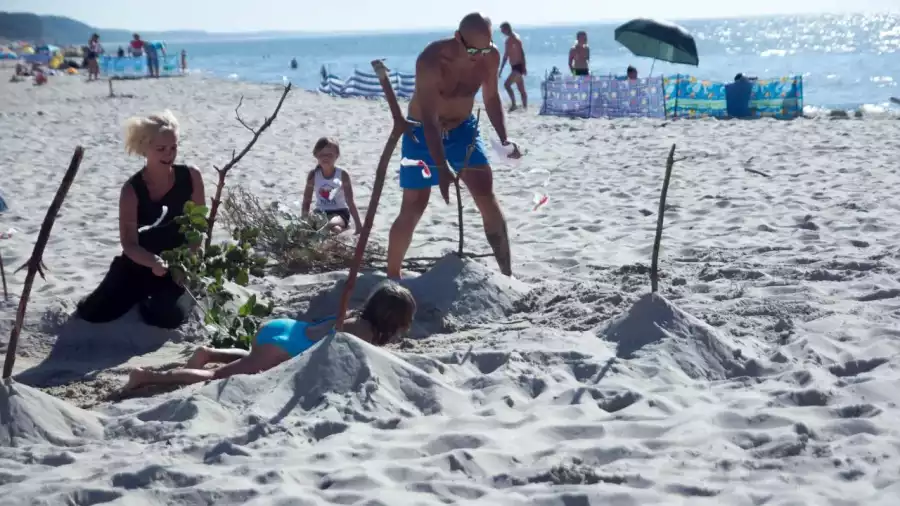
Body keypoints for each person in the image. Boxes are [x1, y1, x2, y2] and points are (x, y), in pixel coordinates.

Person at [387, 13, 518, 280]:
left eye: (486, 47)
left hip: (463, 128)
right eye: (472, 49)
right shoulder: (431, 60)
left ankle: (507, 275)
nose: (478, 55)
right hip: (422, 130)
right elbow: (430, 120)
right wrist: (441, 167)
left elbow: (491, 97)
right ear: (458, 37)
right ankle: (392, 277)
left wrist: (504, 138)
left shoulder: (489, 57)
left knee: (485, 194)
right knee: (414, 204)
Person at [120, 281, 417, 392]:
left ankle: (208, 353)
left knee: (255, 362)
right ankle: (145, 377)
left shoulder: (356, 316)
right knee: (216, 378)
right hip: (284, 346)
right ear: (391, 318)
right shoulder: (366, 333)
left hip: (287, 329)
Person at [75, 110, 205, 329]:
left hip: (177, 264)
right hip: (139, 262)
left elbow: (200, 226)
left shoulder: (191, 177)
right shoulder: (131, 190)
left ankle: (173, 296)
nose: (169, 154)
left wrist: (188, 262)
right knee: (92, 313)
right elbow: (129, 244)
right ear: (145, 149)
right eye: (161, 149)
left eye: (173, 147)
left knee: (165, 317)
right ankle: (141, 294)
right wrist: (152, 262)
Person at [301, 137, 363, 234]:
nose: (325, 158)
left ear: (337, 156)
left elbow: (350, 201)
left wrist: (359, 225)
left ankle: (331, 227)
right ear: (316, 155)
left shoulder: (342, 175)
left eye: (329, 155)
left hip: (340, 213)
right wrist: (304, 219)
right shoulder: (313, 175)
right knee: (332, 229)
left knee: (332, 225)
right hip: (320, 212)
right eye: (322, 155)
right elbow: (306, 200)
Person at [499, 22, 527, 111]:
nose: (502, 32)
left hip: (518, 67)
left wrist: (524, 66)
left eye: (502, 30)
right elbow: (506, 56)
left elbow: (522, 53)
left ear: (506, 29)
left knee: (507, 85)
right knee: (521, 89)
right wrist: (501, 69)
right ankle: (525, 107)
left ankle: (514, 104)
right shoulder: (508, 41)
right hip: (514, 66)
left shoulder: (515, 39)